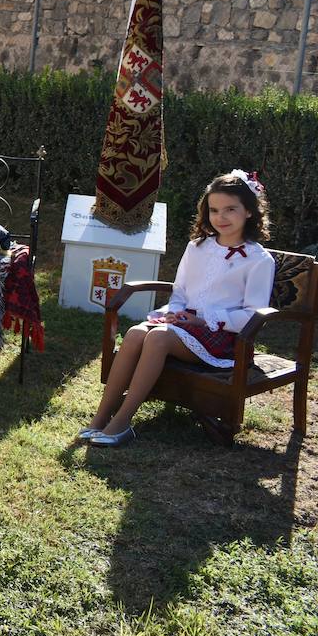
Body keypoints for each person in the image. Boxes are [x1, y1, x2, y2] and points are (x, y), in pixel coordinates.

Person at [81, 170, 275, 447]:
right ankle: (99, 419)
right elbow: (180, 290)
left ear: (249, 211)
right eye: (214, 210)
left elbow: (253, 315)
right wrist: (175, 311)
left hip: (224, 338)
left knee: (157, 338)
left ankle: (121, 422)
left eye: (230, 209)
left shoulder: (259, 260)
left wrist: (204, 320)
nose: (221, 217)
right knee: (135, 334)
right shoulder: (197, 247)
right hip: (184, 326)